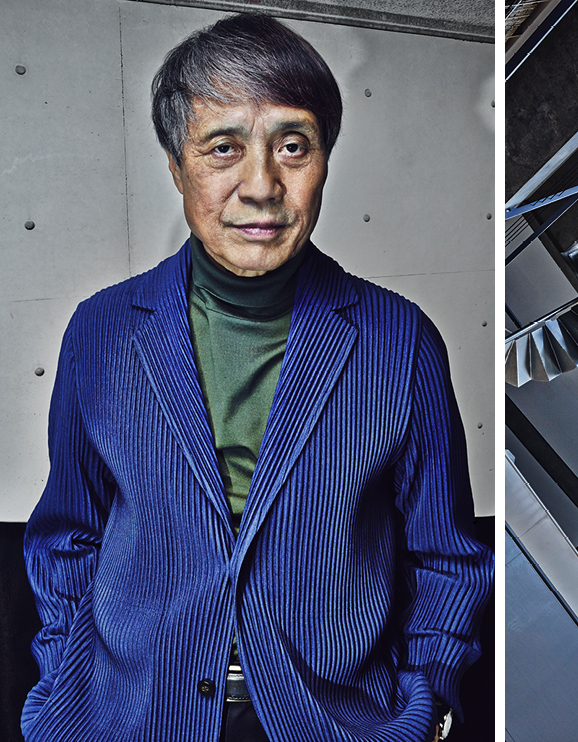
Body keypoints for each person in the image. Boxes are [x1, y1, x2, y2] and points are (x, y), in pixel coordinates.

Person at [20, 13, 492, 742]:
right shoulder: (103, 332)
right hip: (134, 717)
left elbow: (444, 556)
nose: (261, 186)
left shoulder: (400, 342)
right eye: (223, 148)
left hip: (332, 721)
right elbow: (67, 538)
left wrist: (426, 705)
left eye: (292, 146)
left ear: (325, 160)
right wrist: (62, 694)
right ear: (177, 167)